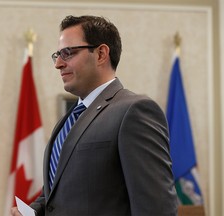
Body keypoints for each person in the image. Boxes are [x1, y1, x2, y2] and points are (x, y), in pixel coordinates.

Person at [11, 15, 178, 216]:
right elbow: (58, 194)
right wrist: (33, 211)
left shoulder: (135, 111)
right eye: (57, 55)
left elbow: (156, 208)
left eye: (67, 53)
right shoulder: (68, 120)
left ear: (101, 54)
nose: (58, 64)